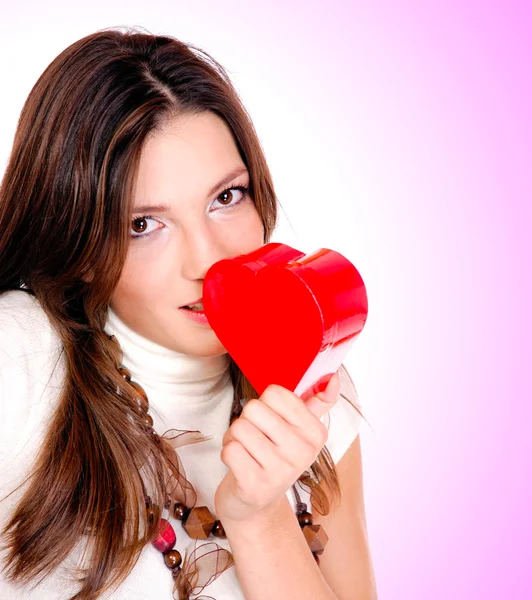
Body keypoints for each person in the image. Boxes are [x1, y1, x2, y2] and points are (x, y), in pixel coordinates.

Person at [0, 27, 377, 600]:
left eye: (226, 197)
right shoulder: (21, 355)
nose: (208, 261)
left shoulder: (315, 391)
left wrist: (259, 517)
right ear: (79, 248)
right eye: (143, 225)